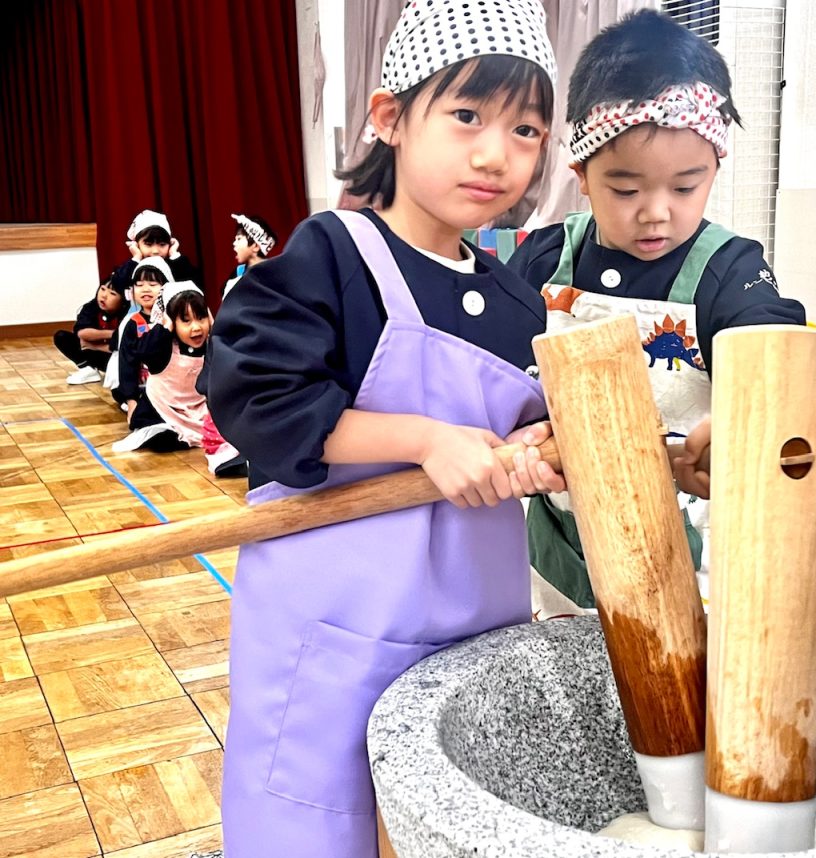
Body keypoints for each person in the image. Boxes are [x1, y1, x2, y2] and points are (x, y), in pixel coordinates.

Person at [204, 1, 562, 854]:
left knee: (452, 820)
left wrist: (544, 448)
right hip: (332, 624)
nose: (495, 153)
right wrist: (426, 441)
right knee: (315, 824)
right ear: (391, 117)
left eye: (525, 129)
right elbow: (258, 398)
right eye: (467, 115)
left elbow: (534, 426)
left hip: (475, 619)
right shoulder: (331, 255)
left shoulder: (518, 300)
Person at [507, 9, 806, 617]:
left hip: (682, 537)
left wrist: (744, 419)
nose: (656, 212)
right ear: (581, 175)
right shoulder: (544, 258)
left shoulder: (728, 270)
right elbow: (492, 366)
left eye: (685, 186)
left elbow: (774, 351)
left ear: (715, 167)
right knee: (558, 651)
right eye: (626, 189)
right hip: (558, 531)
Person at [137, 281, 246, 476]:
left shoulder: (213, 344)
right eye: (186, 321)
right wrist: (164, 327)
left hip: (200, 408)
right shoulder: (163, 345)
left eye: (201, 318)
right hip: (165, 409)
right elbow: (143, 352)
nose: (196, 327)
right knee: (161, 438)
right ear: (172, 322)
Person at [110, 257, 186, 453]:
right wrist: (131, 400)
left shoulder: (175, 319)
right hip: (145, 389)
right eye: (139, 284)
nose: (145, 289)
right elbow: (127, 364)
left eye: (153, 284)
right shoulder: (133, 323)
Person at [111, 209, 202, 298]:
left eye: (162, 244)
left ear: (170, 244)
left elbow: (196, 285)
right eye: (148, 244)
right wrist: (136, 258)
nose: (155, 251)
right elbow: (118, 285)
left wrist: (174, 255)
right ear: (136, 244)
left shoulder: (176, 266)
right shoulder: (131, 268)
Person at [53, 274, 127, 384]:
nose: (104, 296)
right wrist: (115, 334)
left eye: (112, 293)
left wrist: (94, 346)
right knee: (61, 336)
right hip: (94, 353)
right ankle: (87, 369)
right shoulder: (91, 307)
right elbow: (83, 333)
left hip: (116, 359)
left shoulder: (128, 313)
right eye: (102, 289)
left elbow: (126, 345)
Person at [222, 213, 277, 298]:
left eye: (239, 239)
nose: (234, 243)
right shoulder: (238, 274)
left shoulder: (274, 274)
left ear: (256, 246)